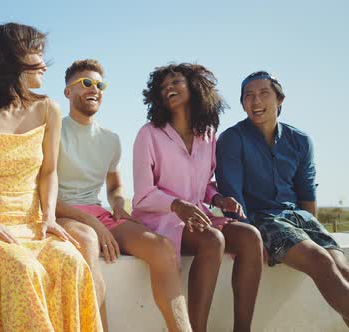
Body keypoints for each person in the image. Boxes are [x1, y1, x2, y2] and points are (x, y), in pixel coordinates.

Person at [0, 23, 102, 331]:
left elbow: (48, 172)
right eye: (36, 52)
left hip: (35, 224)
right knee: (24, 269)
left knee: (72, 262)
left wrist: (48, 218)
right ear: (12, 59)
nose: (44, 62)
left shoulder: (49, 109)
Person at [55, 59, 192, 332]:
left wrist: (118, 205)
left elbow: (115, 187)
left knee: (162, 248)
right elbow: (41, 193)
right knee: (88, 244)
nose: (94, 89)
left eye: (99, 84)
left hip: (100, 213)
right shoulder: (52, 131)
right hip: (62, 213)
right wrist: (91, 224)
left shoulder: (111, 139)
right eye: (85, 83)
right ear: (68, 92)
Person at [132, 63, 263, 332]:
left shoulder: (208, 134)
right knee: (212, 240)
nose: (169, 88)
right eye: (163, 86)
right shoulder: (149, 134)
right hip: (160, 220)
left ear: (194, 87)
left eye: (176, 82)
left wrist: (218, 200)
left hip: (197, 217)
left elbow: (203, 185)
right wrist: (177, 205)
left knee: (250, 237)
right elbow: (143, 195)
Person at [216, 70, 349, 326]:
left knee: (341, 268)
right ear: (242, 103)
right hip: (260, 217)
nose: (256, 102)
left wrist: (309, 227)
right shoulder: (232, 140)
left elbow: (307, 192)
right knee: (319, 261)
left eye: (264, 94)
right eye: (248, 96)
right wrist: (252, 242)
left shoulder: (300, 140)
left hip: (299, 218)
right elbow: (233, 196)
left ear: (280, 99)